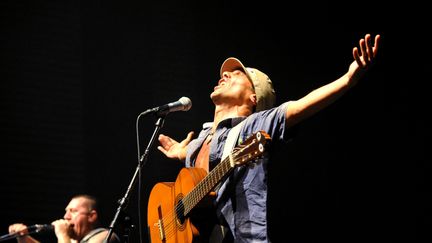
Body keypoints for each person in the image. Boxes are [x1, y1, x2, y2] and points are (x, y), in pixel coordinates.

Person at [157, 33, 381, 242]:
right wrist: (180, 153)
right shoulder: (201, 139)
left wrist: (348, 79)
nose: (224, 75)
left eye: (237, 74)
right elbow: (197, 165)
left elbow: (298, 107)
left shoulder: (253, 126)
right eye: (226, 73)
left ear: (254, 97)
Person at [7, 194, 120, 243]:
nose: (66, 217)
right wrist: (24, 238)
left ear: (91, 216)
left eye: (73, 211)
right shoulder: (73, 240)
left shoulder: (104, 236)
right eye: (66, 211)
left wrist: (62, 235)